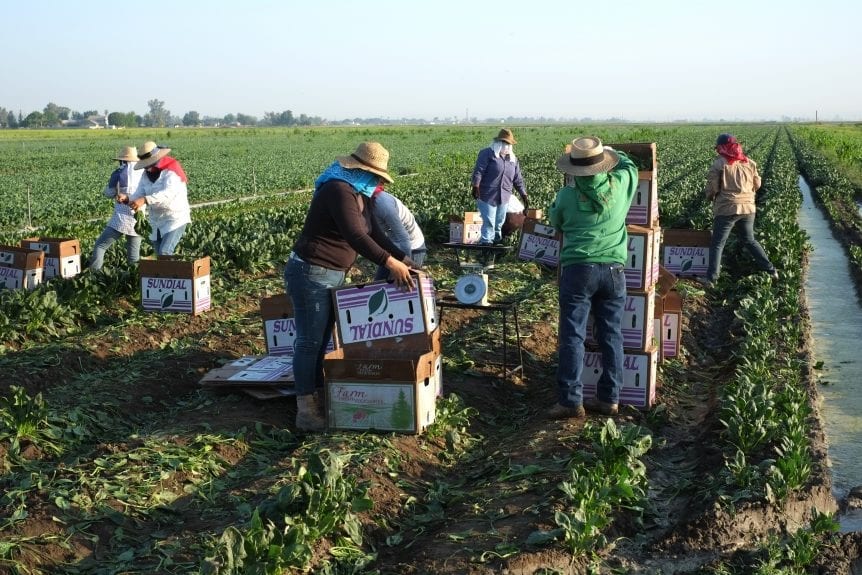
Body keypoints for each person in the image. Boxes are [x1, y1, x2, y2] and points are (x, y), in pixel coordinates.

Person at [286, 142, 416, 431]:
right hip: (311, 272)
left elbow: (376, 233)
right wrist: (389, 263)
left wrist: (406, 260)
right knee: (309, 342)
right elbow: (355, 236)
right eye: (376, 176)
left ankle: (318, 396)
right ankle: (306, 410)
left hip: (331, 273)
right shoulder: (338, 189)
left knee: (321, 341)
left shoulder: (361, 194)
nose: (378, 182)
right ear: (361, 170)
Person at [548, 137, 638, 419]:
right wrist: (611, 151)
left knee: (573, 336)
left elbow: (556, 221)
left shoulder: (566, 195)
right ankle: (610, 398)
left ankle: (571, 401)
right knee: (611, 334)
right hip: (614, 271)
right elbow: (631, 165)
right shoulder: (621, 185)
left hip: (578, 270)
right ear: (603, 166)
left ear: (575, 170)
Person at [699, 133, 777, 287]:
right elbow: (757, 184)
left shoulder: (719, 164)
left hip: (727, 208)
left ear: (721, 148)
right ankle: (771, 270)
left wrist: (709, 197)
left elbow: (712, 188)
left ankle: (711, 279)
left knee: (718, 244)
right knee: (749, 240)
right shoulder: (749, 162)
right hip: (748, 208)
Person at [123, 141, 191, 256]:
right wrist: (127, 198)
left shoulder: (171, 171)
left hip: (174, 218)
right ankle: (168, 273)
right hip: (156, 221)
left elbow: (168, 194)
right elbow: (140, 192)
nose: (147, 167)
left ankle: (172, 273)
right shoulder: (146, 174)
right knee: (159, 255)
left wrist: (145, 200)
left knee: (164, 252)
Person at [89, 146, 144, 271]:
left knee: (100, 246)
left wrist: (114, 192)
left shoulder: (118, 173)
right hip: (139, 220)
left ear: (123, 160)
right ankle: (134, 282)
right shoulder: (144, 173)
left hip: (121, 218)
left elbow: (109, 193)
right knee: (133, 257)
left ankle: (94, 274)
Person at [471, 128, 528, 245]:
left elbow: (518, 179)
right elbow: (479, 171)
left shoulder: (513, 159)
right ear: (498, 142)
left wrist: (524, 195)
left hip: (504, 196)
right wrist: (476, 186)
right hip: (487, 195)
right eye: (505, 143)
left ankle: (496, 247)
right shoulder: (487, 154)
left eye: (509, 144)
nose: (507, 146)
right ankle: (486, 249)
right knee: (489, 223)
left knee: (498, 224)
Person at [370, 188, 426, 281]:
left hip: (412, 247)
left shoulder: (383, 205)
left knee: (406, 286)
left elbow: (403, 238)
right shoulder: (366, 204)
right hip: (393, 247)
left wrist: (404, 266)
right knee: (380, 283)